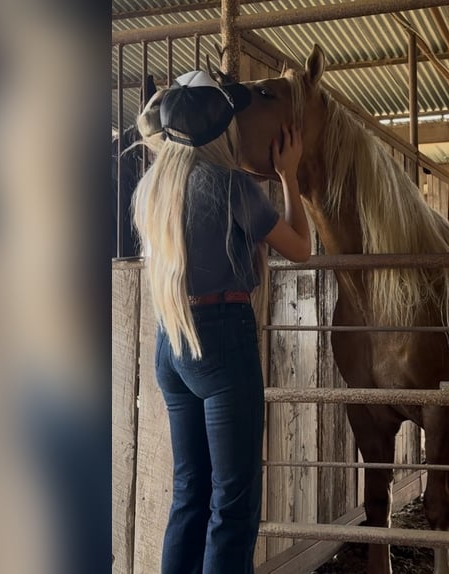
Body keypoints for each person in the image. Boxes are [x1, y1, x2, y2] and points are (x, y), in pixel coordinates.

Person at [131, 70, 310, 574]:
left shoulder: (152, 189)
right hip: (222, 342)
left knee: (190, 493)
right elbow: (300, 248)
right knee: (233, 505)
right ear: (224, 128)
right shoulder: (231, 187)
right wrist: (289, 177)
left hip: (172, 343)